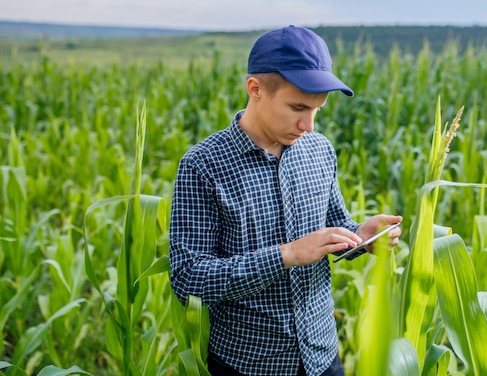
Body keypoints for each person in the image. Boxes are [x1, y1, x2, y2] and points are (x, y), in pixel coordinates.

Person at [169, 25, 402, 376]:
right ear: (255, 89)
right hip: (248, 364)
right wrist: (286, 256)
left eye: (317, 110)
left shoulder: (319, 150)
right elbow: (189, 276)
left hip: (323, 356)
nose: (308, 124)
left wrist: (363, 236)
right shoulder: (204, 165)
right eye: (298, 107)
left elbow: (332, 232)